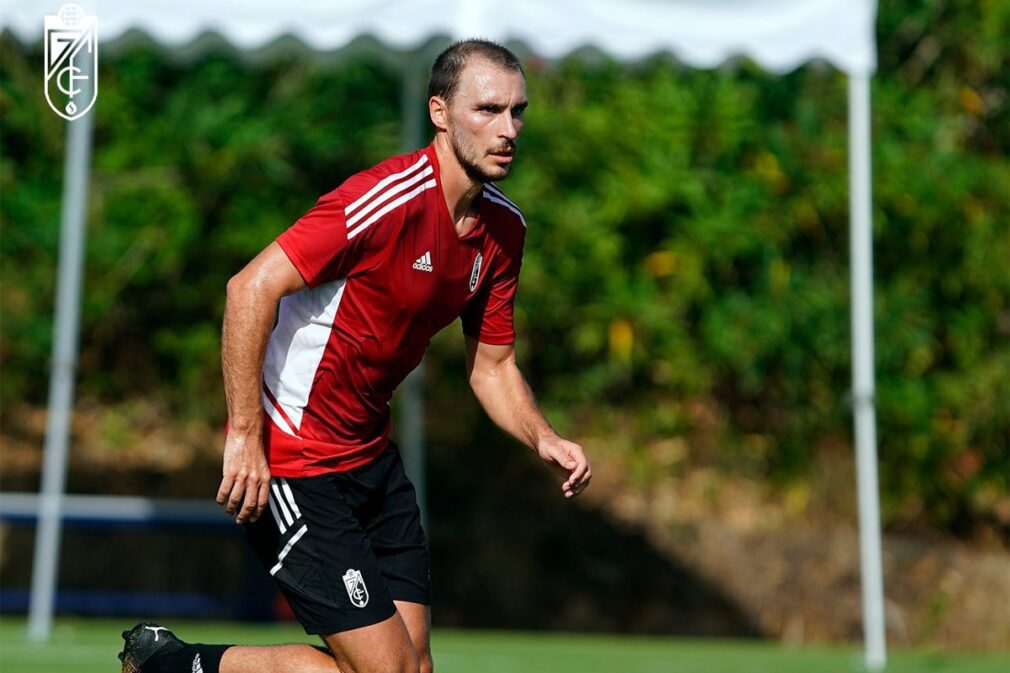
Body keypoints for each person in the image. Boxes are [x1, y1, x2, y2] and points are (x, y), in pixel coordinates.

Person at [119, 38, 592, 673]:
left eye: (517, 111)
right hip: (293, 459)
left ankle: (171, 665)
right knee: (386, 671)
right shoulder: (382, 200)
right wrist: (243, 435)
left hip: (370, 460)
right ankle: (176, 667)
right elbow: (248, 288)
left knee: (413, 667)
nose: (507, 130)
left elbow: (494, 367)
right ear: (440, 112)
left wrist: (544, 438)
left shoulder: (504, 232)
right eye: (487, 110)